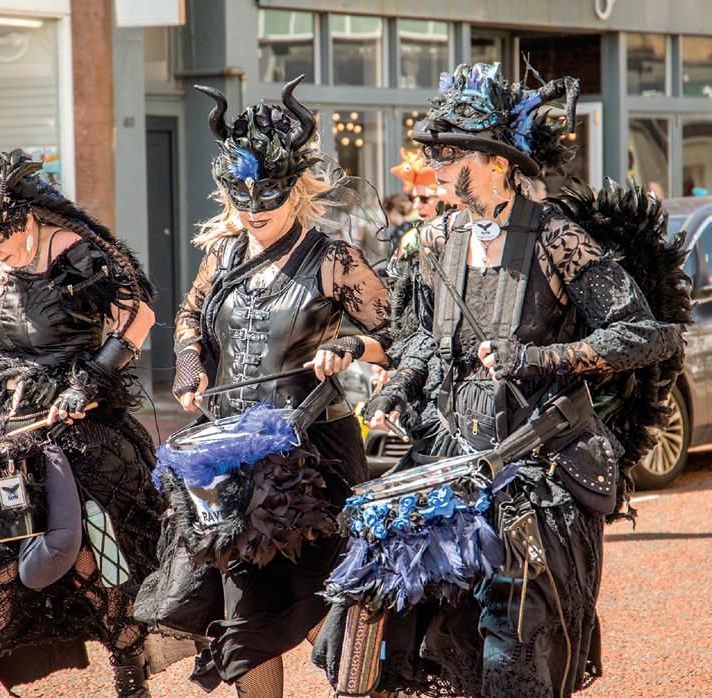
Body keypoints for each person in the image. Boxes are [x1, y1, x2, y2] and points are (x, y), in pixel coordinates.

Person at [316, 62, 688, 697]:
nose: (434, 165)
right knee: (369, 626)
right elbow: (420, 342)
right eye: (434, 152)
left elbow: (647, 336)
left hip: (536, 469)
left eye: (451, 153)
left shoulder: (557, 240)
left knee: (510, 645)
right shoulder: (432, 240)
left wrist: (538, 358)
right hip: (449, 460)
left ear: (498, 163)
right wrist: (393, 385)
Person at [163, 75, 392, 697]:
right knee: (246, 621)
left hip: (314, 455)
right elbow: (189, 316)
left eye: (267, 193)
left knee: (329, 604)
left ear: (295, 188)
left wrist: (351, 348)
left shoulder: (334, 259)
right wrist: (187, 361)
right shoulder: (224, 254)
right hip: (232, 455)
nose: (253, 207)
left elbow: (400, 337)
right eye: (240, 195)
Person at [0, 150, 164, 698]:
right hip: (11, 442)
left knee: (101, 576)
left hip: (82, 443)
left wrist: (88, 383)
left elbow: (139, 316)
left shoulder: (77, 252)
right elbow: (3, 347)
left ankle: (133, 681)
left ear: (28, 220)